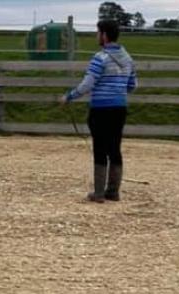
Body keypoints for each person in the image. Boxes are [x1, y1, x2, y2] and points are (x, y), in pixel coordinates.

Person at [60, 20, 137, 202]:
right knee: (115, 148)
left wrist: (69, 96)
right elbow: (133, 85)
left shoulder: (99, 58)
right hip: (119, 108)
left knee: (100, 148)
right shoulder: (128, 59)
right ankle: (113, 191)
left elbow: (87, 84)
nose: (96, 36)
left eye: (97, 33)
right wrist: (116, 89)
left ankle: (99, 193)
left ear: (104, 35)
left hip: (101, 109)